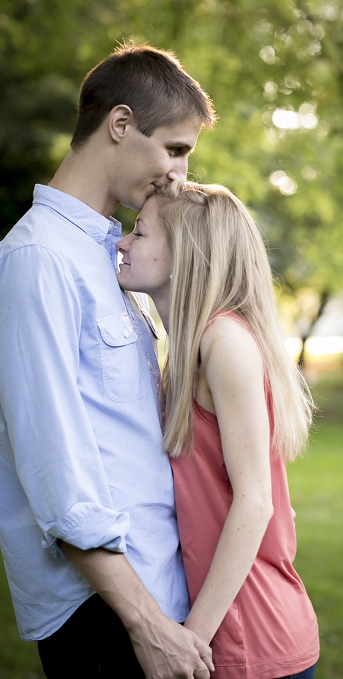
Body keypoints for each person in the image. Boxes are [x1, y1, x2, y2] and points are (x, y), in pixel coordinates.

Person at [0, 42, 217, 678]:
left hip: (156, 588)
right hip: (106, 613)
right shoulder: (37, 259)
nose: (178, 175)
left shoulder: (112, 258)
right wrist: (145, 624)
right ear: (120, 125)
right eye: (174, 149)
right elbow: (54, 470)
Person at [116, 180, 320, 679]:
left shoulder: (223, 342)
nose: (121, 243)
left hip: (251, 643)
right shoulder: (189, 350)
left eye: (139, 233)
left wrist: (189, 642)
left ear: (184, 254)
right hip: (230, 640)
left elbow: (257, 501)